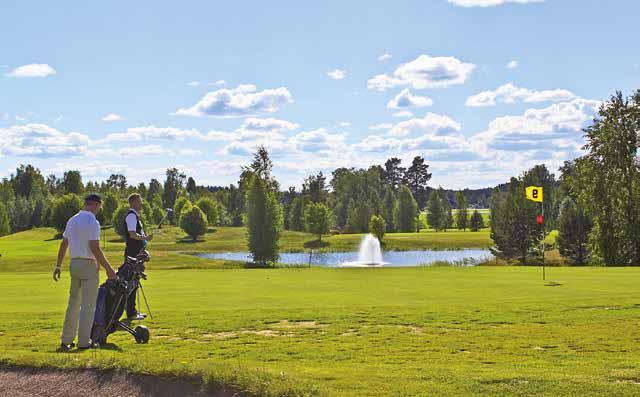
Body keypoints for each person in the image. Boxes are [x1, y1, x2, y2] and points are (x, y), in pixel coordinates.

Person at [53, 193, 116, 351]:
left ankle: (66, 340)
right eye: (99, 206)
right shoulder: (93, 222)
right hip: (88, 265)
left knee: (73, 303)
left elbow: (64, 244)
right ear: (96, 204)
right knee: (88, 306)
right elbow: (95, 248)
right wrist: (109, 269)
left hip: (74, 264)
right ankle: (83, 342)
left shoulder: (72, 220)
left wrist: (58, 266)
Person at [123, 193, 152, 321]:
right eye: (139, 201)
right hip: (132, 254)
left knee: (134, 282)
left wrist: (144, 240)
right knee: (131, 282)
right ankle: (131, 312)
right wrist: (144, 237)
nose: (141, 203)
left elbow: (137, 235)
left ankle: (132, 311)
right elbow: (132, 234)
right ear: (133, 202)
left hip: (136, 253)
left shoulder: (135, 216)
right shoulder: (131, 216)